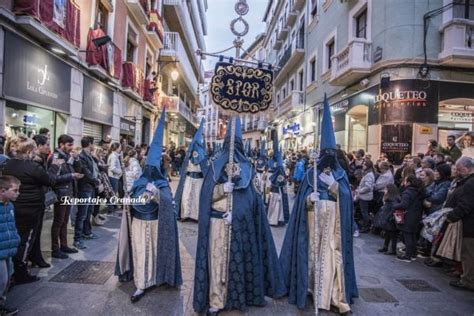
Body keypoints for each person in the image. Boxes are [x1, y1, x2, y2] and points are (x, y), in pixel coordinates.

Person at [193, 117, 285, 315]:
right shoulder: (214, 165)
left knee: (239, 263)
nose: (232, 148)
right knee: (217, 263)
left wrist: (237, 214)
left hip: (241, 226)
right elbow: (205, 196)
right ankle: (216, 300)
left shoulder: (248, 168)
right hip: (217, 224)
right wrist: (220, 190)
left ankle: (238, 297)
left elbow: (252, 200)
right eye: (229, 144)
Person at [280, 95, 358, 313]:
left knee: (334, 257)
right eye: (326, 153)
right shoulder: (309, 175)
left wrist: (334, 186)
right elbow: (301, 205)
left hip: (334, 227)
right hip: (313, 224)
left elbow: (346, 200)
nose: (328, 156)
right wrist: (308, 200)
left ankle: (336, 296)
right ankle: (312, 290)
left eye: (331, 153)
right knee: (312, 257)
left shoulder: (341, 176)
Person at [115, 109, 182, 303]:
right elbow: (133, 202)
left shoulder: (162, 183)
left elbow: (169, 204)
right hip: (138, 223)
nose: (151, 171)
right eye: (148, 168)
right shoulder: (138, 182)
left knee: (154, 252)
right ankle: (141, 284)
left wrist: (157, 195)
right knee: (140, 251)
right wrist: (129, 201)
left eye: (155, 168)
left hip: (155, 224)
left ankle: (157, 278)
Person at [2, 136, 61, 283]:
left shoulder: (7, 164)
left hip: (13, 207)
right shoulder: (31, 167)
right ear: (28, 151)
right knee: (26, 239)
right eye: (33, 149)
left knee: (17, 238)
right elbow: (50, 180)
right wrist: (55, 166)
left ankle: (16, 268)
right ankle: (20, 272)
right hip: (31, 209)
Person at [49, 135, 83, 259]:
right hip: (60, 193)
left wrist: (77, 159)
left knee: (64, 221)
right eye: (69, 145)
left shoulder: (67, 157)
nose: (71, 147)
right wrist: (71, 175)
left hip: (68, 193)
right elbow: (52, 178)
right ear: (61, 144)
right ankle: (55, 248)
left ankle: (64, 245)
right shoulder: (56, 157)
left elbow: (78, 169)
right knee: (58, 221)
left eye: (72, 145)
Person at [445, 156, 474, 291]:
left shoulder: (470, 183)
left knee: (468, 254)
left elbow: (466, 205)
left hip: (470, 225)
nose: (457, 171)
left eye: (459, 169)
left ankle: (468, 280)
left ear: (467, 168)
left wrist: (452, 216)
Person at [175, 120, 207, 221]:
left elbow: (205, 168)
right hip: (189, 178)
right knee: (186, 197)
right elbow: (184, 167)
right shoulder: (188, 155)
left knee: (197, 198)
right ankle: (185, 215)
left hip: (199, 180)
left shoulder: (202, 155)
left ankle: (196, 216)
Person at [74, 137, 100, 250]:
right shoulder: (82, 156)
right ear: (90, 144)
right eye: (93, 144)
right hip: (85, 188)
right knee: (82, 214)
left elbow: (95, 169)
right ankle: (77, 238)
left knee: (89, 211)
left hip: (91, 187)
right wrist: (97, 181)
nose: (94, 146)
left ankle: (87, 232)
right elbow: (86, 172)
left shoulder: (90, 156)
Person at [0, 175, 21, 316]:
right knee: (2, 280)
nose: (18, 193)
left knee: (6, 279)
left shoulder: (10, 205)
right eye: (15, 190)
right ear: (2, 190)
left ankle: (1, 304)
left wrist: (16, 238)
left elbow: (11, 225)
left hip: (9, 249)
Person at [394, 175, 424, 262]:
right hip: (416, 215)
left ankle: (408, 256)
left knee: (407, 235)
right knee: (413, 235)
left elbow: (404, 205)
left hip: (408, 216)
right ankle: (413, 254)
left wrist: (395, 205)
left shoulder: (408, 192)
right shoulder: (419, 191)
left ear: (409, 182)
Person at [266, 131, 289, 226]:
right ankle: (273, 219)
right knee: (274, 201)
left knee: (276, 202)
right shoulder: (273, 162)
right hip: (274, 186)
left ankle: (275, 218)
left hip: (277, 186)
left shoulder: (277, 164)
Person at [374, 184, 400, 255]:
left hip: (390, 219)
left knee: (392, 235)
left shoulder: (393, 199)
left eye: (385, 189)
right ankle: (385, 247)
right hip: (388, 219)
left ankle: (392, 250)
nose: (384, 190)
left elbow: (393, 209)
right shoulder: (392, 198)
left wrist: (389, 217)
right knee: (388, 234)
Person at [355, 159, 375, 233]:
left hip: (365, 197)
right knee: (363, 212)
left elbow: (368, 187)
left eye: (364, 164)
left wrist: (360, 191)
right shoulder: (367, 174)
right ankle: (366, 225)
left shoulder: (369, 175)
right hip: (364, 196)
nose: (363, 165)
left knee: (364, 212)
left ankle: (366, 226)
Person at [107, 142, 123, 213]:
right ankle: (111, 209)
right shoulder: (113, 156)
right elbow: (112, 168)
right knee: (113, 193)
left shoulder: (115, 155)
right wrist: (120, 171)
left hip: (114, 177)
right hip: (113, 177)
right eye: (120, 147)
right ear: (116, 148)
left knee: (113, 193)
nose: (120, 149)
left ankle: (112, 207)